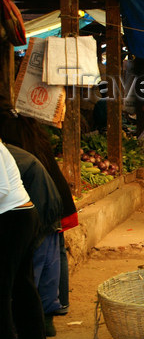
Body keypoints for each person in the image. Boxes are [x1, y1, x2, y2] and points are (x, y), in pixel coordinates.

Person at [0, 110, 78, 316]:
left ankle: (46, 309)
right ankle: (58, 304)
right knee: (56, 252)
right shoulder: (35, 140)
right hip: (57, 198)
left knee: (40, 259)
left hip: (41, 203)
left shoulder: (12, 149)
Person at [0, 138, 47, 339]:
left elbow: (1, 188)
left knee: (5, 286)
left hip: (13, 217)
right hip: (21, 214)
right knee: (21, 283)